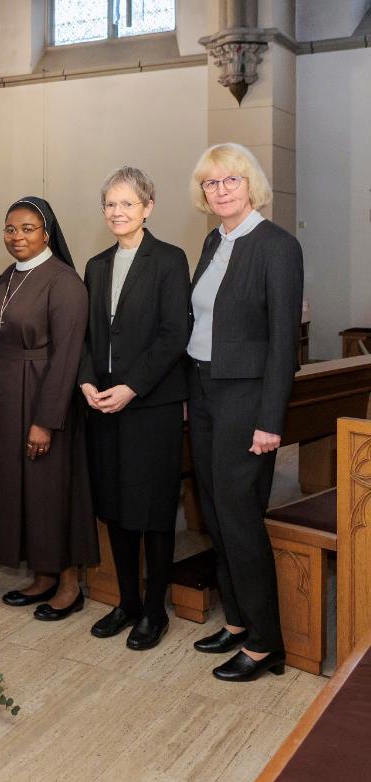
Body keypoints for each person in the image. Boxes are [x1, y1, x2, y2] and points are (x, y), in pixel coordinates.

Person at [186, 143, 304, 682]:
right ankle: (236, 621)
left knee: (239, 516)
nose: (220, 191)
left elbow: (284, 343)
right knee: (213, 511)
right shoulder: (214, 240)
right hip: (206, 389)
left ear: (250, 184)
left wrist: (270, 420)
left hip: (246, 398)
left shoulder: (277, 246)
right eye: (211, 184)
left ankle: (265, 643)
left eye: (230, 180)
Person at [78, 166, 190, 650]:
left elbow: (174, 336)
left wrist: (132, 387)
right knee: (117, 509)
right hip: (103, 403)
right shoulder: (96, 264)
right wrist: (85, 380)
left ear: (148, 207)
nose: (117, 212)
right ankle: (126, 602)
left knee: (153, 511)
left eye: (127, 203)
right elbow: (85, 335)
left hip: (150, 405)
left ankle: (154, 610)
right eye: (110, 204)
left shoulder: (168, 260)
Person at [0, 196, 98, 619]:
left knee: (51, 491)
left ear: (47, 233)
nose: (17, 237)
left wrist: (45, 421)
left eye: (28, 228)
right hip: (8, 396)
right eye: (11, 229)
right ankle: (42, 575)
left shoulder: (64, 282)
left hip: (46, 397)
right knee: (21, 490)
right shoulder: (9, 276)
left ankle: (68, 584)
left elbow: (67, 357)